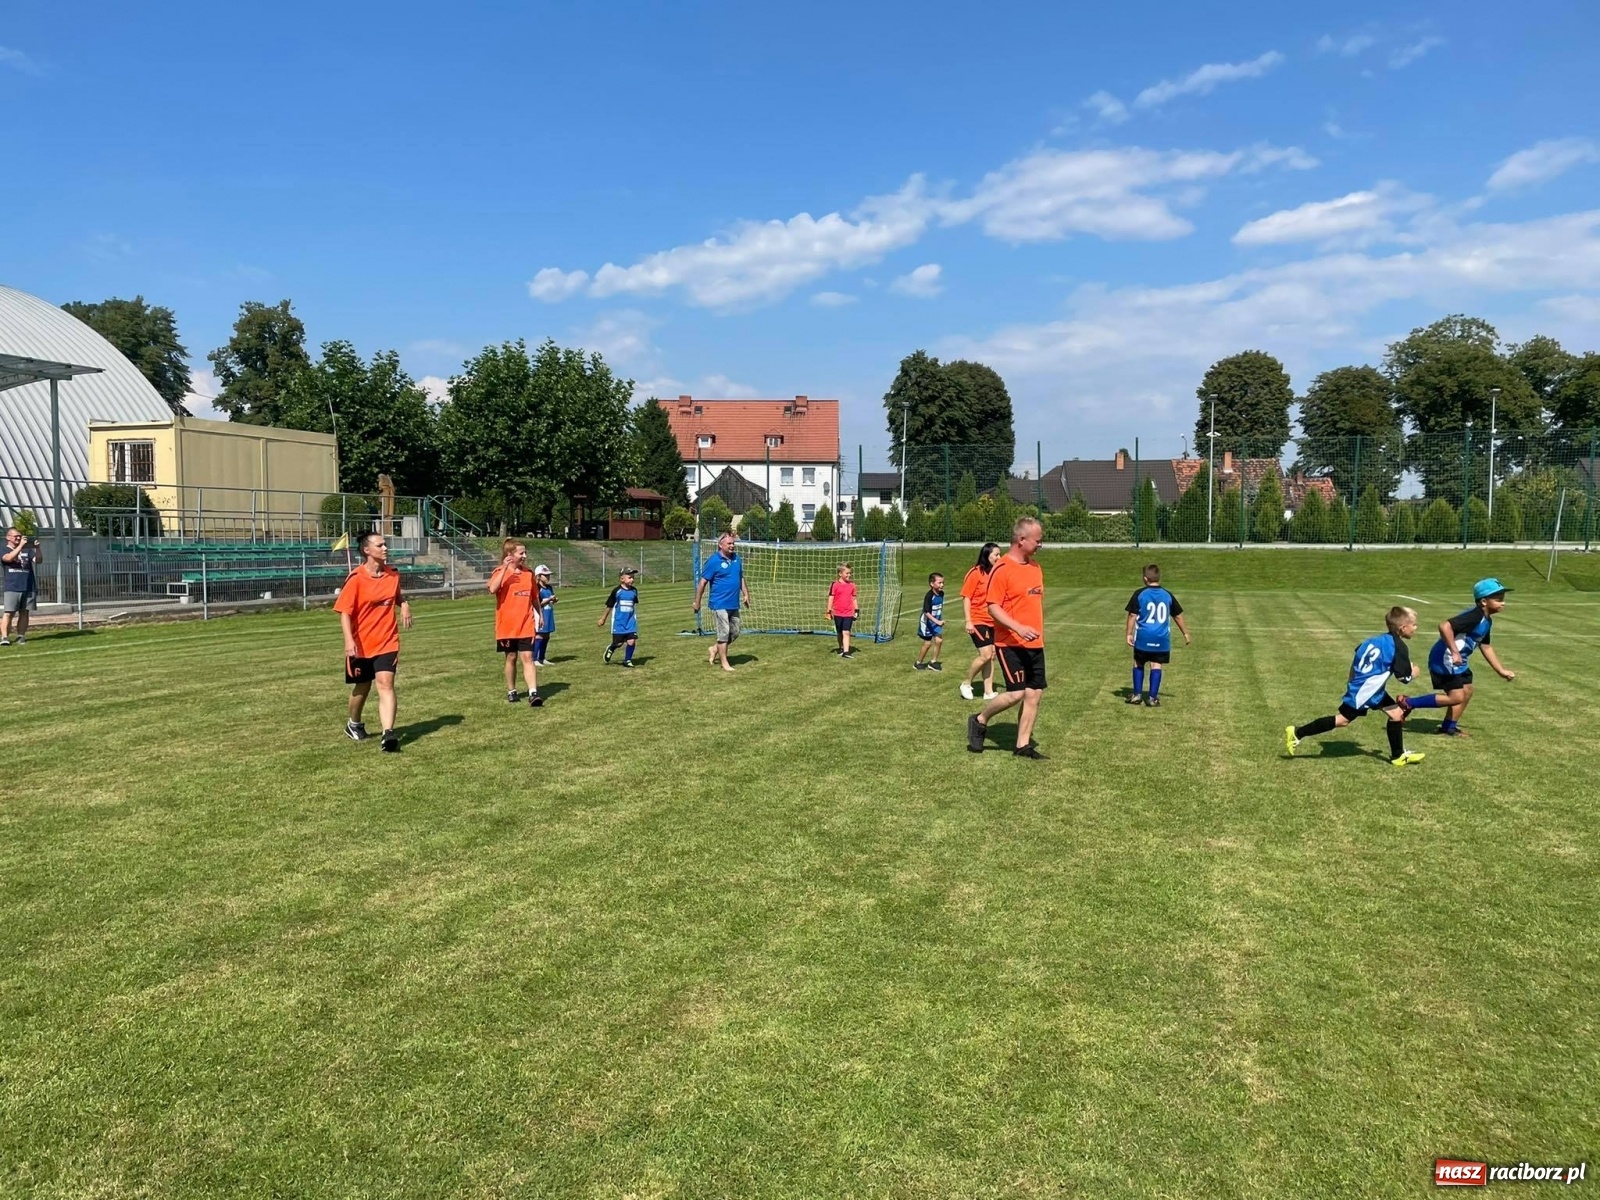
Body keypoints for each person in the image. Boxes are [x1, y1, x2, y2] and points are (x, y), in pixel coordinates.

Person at [1285, 606, 1426, 767]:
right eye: (1414, 624)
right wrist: (1414, 672)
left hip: (1371, 689)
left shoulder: (1373, 640)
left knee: (1396, 714)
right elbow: (1404, 678)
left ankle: (1398, 756)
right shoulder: (1399, 647)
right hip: (1366, 691)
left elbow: (1357, 657)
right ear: (1403, 627)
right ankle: (1297, 733)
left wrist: (1351, 679)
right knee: (1342, 720)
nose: (1416, 628)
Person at [967, 518, 1048, 759]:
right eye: (1037, 541)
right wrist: (1018, 628)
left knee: (1034, 693)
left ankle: (1022, 745)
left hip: (1035, 643)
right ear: (1021, 540)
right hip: (1010, 643)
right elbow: (993, 607)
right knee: (1016, 693)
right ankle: (980, 719)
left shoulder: (1035, 568)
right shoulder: (1001, 569)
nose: (1040, 545)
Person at [1398, 578, 1516, 736]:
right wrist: (1454, 652)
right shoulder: (1475, 615)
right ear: (1483, 601)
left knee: (1467, 690)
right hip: (1445, 659)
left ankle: (1449, 728)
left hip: (1459, 661)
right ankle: (1408, 703)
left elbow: (1485, 645)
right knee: (1456, 697)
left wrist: (1500, 670)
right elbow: (1444, 626)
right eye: (1498, 599)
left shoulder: (1486, 620)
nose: (1503, 603)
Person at [334, 531, 412, 752]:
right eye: (380, 545)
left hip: (387, 641)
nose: (385, 548)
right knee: (363, 686)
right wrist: (349, 641)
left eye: (385, 544)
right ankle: (354, 723)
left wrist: (404, 604)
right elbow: (345, 613)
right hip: (361, 644)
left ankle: (388, 734)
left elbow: (397, 596)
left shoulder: (392, 575)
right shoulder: (356, 579)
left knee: (386, 684)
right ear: (367, 550)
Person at [1123, 563, 1191, 707]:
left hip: (1144, 637)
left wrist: (1129, 633)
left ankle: (1137, 695)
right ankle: (1152, 698)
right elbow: (1177, 615)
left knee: (1138, 662)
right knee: (1156, 664)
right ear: (1159, 578)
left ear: (1145, 578)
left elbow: (1132, 615)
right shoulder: (1167, 594)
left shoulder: (1139, 594)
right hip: (1161, 638)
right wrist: (1185, 633)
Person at [488, 538, 543, 706]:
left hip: (526, 623)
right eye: (521, 553)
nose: (525, 556)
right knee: (511, 657)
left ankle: (533, 693)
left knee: (528, 656)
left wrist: (540, 615)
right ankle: (511, 691)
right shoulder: (499, 572)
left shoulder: (528, 574)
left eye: (525, 552)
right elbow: (492, 589)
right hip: (507, 626)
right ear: (510, 555)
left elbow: (534, 597)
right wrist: (505, 568)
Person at [694, 531, 750, 672]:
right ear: (720, 545)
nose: (732, 546)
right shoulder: (713, 561)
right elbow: (702, 583)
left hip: (733, 603)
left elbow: (740, 577)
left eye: (733, 543)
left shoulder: (737, 559)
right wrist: (697, 602)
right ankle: (725, 663)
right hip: (719, 603)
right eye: (729, 543)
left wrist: (746, 594)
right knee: (723, 633)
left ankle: (714, 649)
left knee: (735, 632)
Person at [958, 542, 1002, 701]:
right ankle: (966, 683)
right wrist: (968, 621)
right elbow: (966, 597)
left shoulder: (995, 573)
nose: (999, 557)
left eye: (1000, 554)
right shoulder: (975, 573)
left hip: (992, 621)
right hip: (977, 619)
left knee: (991, 656)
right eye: (996, 554)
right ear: (986, 555)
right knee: (985, 654)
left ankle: (988, 692)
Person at [1, 526, 42, 646]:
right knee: (9, 613)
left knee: (24, 612)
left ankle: (21, 636)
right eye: (16, 536)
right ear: (8, 537)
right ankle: (4, 637)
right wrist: (20, 546)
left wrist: (37, 549)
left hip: (28, 586)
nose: (18, 538)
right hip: (12, 586)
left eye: (20, 536)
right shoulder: (3, 549)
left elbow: (38, 560)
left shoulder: (27, 550)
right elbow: (8, 558)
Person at [599, 567, 640, 667]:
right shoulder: (617, 591)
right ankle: (611, 648)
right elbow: (609, 606)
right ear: (622, 579)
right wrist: (603, 618)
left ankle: (627, 660)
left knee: (631, 641)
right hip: (619, 622)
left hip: (630, 622)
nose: (632, 580)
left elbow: (633, 604)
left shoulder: (634, 591)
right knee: (619, 643)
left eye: (633, 577)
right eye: (629, 577)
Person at [826, 562, 858, 659]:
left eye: (850, 573)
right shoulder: (835, 585)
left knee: (846, 632)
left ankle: (846, 652)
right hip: (838, 613)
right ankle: (841, 647)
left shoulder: (852, 585)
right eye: (847, 573)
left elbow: (854, 598)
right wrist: (828, 611)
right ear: (840, 573)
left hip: (848, 613)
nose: (849, 575)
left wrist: (856, 610)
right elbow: (831, 598)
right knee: (840, 632)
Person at [914, 572, 945, 671]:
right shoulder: (929, 596)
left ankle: (933, 662)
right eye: (939, 583)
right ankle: (918, 663)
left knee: (939, 641)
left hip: (935, 622)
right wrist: (937, 621)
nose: (942, 585)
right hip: (927, 623)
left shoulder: (941, 594)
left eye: (943, 583)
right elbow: (926, 612)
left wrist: (939, 620)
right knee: (927, 644)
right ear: (932, 584)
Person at [532, 564, 556, 666]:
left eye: (548, 575)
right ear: (538, 576)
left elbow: (550, 599)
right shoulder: (537, 588)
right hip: (541, 614)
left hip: (548, 613)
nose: (548, 577)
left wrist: (553, 600)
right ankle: (534, 658)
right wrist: (548, 599)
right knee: (539, 635)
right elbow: (537, 603)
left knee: (546, 635)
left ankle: (542, 657)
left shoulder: (549, 587)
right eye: (545, 575)